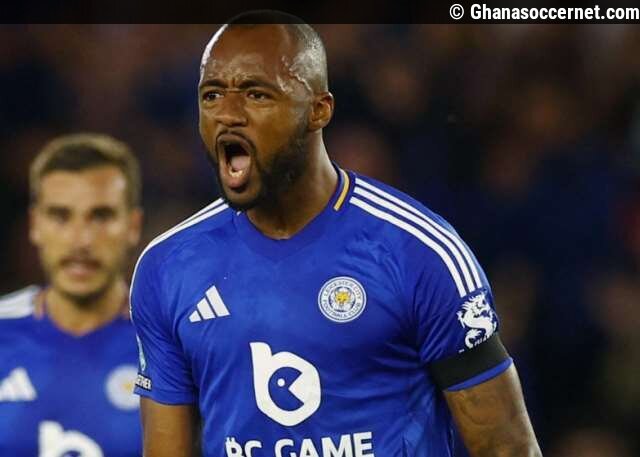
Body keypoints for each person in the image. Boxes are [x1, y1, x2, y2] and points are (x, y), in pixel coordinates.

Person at [131, 11, 542, 457]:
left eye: (256, 94)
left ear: (319, 110)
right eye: (211, 95)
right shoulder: (168, 268)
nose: (227, 114)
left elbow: (507, 448)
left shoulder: (418, 252)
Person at [0, 133, 144, 456]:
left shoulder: (170, 344)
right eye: (60, 216)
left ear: (133, 226)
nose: (81, 241)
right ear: (34, 225)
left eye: (101, 216)